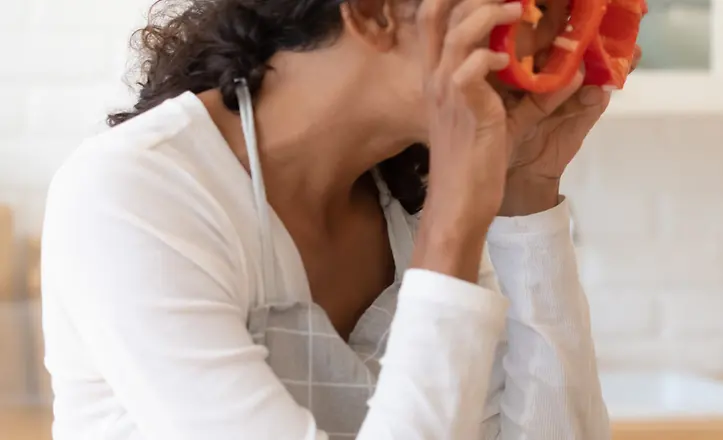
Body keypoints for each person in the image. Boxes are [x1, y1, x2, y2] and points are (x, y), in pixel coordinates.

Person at [40, 0, 613, 438]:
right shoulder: (137, 195)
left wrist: (527, 192)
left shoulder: (410, 197)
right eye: (536, 6)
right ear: (373, 12)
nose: (564, 33)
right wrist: (453, 229)